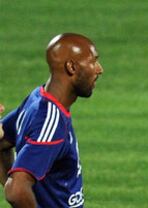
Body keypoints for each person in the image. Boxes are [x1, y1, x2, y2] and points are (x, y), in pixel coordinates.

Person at [0, 33, 103, 208]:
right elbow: (16, 190)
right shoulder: (52, 123)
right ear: (72, 67)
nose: (99, 69)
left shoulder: (37, 98)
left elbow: (1, 139)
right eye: (93, 61)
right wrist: (17, 188)